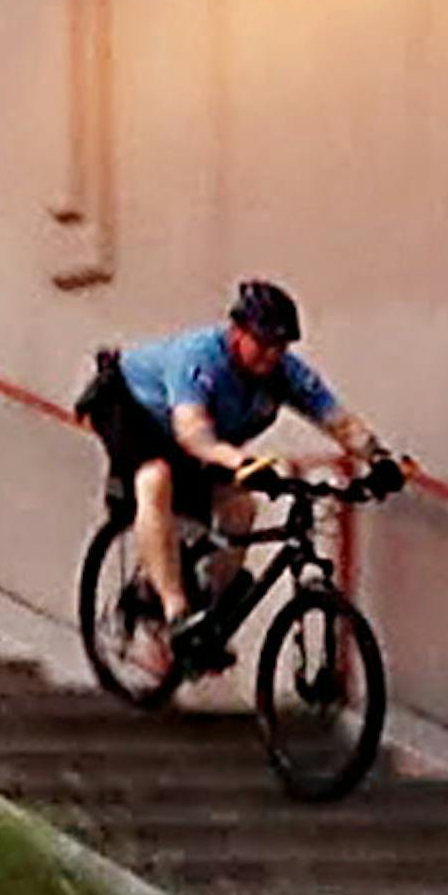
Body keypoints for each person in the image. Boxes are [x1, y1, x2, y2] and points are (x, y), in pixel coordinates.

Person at [77, 279, 404, 672]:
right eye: (262, 343)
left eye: (280, 346)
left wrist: (380, 459)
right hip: (133, 410)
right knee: (155, 478)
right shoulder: (200, 358)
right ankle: (177, 613)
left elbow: (338, 421)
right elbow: (192, 433)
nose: (271, 354)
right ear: (236, 332)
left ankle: (209, 615)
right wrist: (240, 462)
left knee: (241, 506)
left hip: (207, 434)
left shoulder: (285, 372)